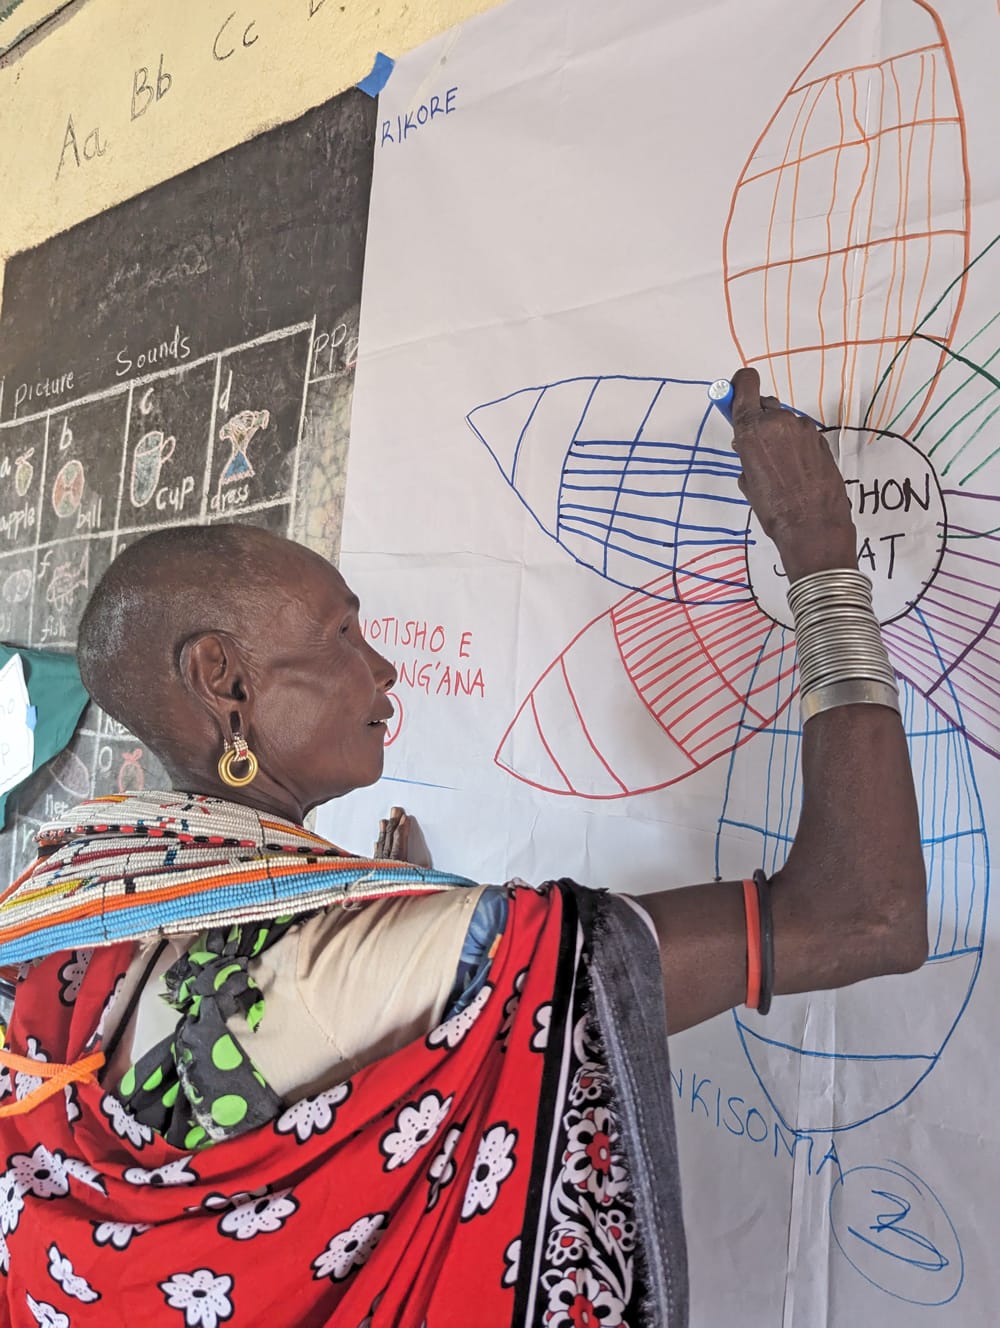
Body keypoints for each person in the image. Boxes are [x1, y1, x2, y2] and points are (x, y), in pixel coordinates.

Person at [0, 369, 926, 1327]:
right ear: (222, 677)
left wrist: (378, 914)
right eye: (342, 631)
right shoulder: (367, 959)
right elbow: (862, 915)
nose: (384, 666)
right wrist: (818, 555)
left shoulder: (60, 923)